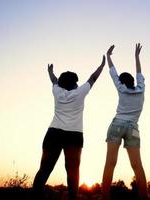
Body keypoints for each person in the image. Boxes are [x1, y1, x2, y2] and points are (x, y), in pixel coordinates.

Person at [33, 56, 106, 200]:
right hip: (74, 136)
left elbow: (54, 80)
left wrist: (50, 71)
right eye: (76, 83)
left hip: (53, 133)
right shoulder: (80, 92)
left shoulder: (57, 91)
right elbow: (93, 78)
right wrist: (102, 66)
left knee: (44, 170)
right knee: (73, 171)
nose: (78, 84)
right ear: (74, 84)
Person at [102, 44, 148, 200]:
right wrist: (136, 56)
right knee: (137, 165)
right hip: (134, 128)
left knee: (110, 163)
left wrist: (108, 56)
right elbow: (139, 73)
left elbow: (113, 73)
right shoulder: (141, 87)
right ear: (133, 81)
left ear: (122, 82)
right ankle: (144, 196)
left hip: (117, 125)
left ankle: (105, 197)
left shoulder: (121, 88)